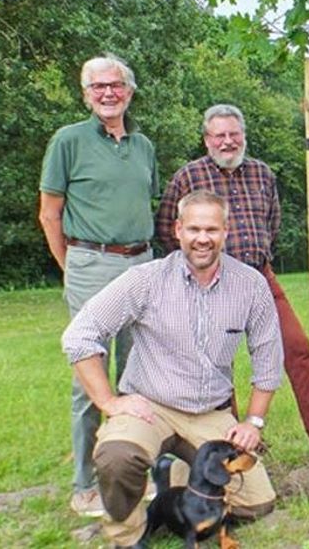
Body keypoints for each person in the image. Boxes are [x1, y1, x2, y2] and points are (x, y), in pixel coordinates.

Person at [62, 190, 283, 548]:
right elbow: (80, 335)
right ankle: (128, 535)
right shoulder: (144, 280)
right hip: (150, 407)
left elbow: (269, 359)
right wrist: (109, 402)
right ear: (178, 230)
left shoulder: (250, 285)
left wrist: (253, 422)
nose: (202, 239)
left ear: (226, 231)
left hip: (210, 412)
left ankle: (176, 477)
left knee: (255, 503)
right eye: (193, 228)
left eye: (212, 229)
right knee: (117, 457)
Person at [155, 104, 309, 458]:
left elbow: (273, 223)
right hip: (210, 281)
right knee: (218, 361)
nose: (227, 141)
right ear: (207, 139)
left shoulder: (262, 174)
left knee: (297, 349)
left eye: (234, 134)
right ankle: (235, 442)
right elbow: (166, 229)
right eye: (219, 135)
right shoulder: (187, 177)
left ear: (243, 136)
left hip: (260, 277)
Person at [39, 54, 158, 517]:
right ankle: (85, 484)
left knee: (141, 371)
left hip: (141, 262)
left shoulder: (144, 145)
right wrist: (71, 266)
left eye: (116, 86)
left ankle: (132, 471)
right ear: (85, 94)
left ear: (129, 92)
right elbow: (49, 213)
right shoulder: (67, 141)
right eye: (97, 87)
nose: (108, 93)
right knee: (89, 374)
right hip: (91, 261)